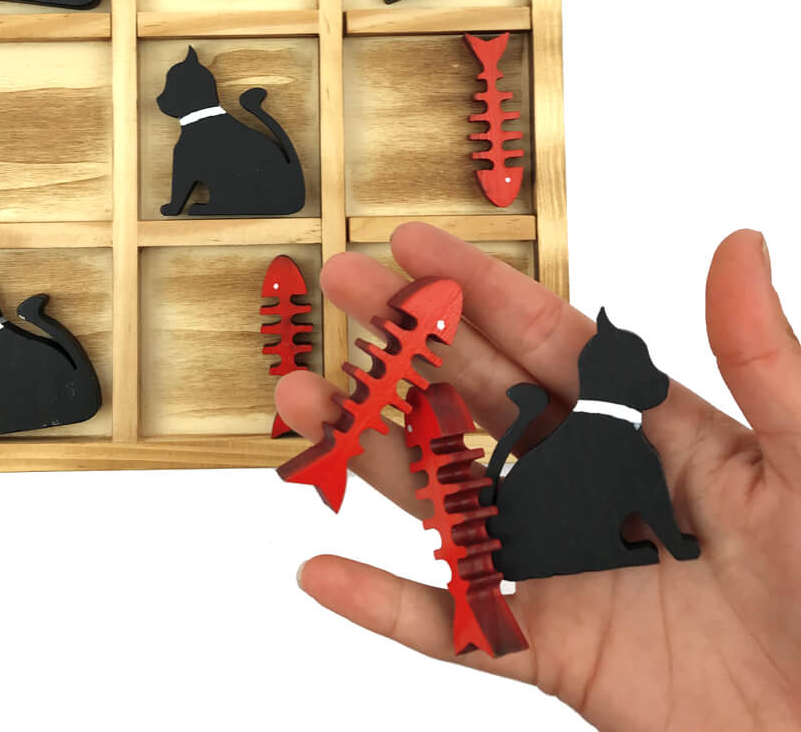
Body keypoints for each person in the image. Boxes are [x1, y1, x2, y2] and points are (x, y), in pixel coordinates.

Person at [275, 222, 801, 731]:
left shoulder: (602, 436)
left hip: (524, 544)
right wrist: (674, 543)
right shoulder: (620, 440)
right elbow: (645, 494)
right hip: (538, 543)